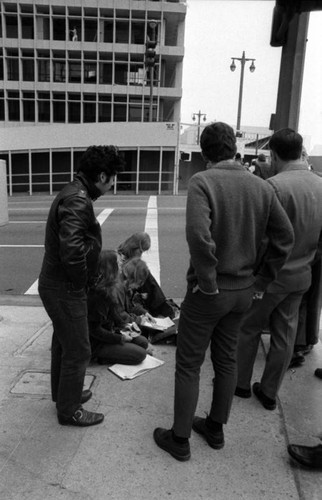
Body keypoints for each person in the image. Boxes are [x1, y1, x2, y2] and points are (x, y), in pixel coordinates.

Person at [153, 121, 294, 461]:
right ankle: (215, 428)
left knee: (188, 364)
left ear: (204, 153)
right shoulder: (261, 187)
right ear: (234, 148)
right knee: (226, 359)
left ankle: (180, 438)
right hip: (244, 289)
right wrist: (262, 280)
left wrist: (207, 281)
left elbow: (200, 238)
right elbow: (284, 238)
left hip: (210, 292)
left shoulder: (203, 181)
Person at [38, 145, 125, 427]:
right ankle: (69, 410)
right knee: (78, 349)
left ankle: (64, 395)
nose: (111, 185)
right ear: (101, 175)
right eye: (112, 178)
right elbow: (72, 248)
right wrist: (83, 281)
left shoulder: (75, 192)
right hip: (64, 287)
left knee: (64, 344)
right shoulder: (78, 200)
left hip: (57, 284)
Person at [236, 128, 322, 410]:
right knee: (285, 334)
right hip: (302, 274)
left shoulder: (273, 186)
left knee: (247, 328)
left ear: (273, 154)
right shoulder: (320, 184)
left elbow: (260, 240)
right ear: (300, 151)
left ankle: (241, 384)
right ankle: (270, 392)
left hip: (271, 277)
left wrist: (254, 276)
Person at [87, 250, 149, 365]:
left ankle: (119, 352)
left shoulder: (110, 288)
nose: (121, 266)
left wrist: (127, 326)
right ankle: (100, 357)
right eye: (118, 263)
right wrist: (120, 339)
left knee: (142, 342)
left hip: (110, 331)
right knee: (141, 355)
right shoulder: (98, 295)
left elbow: (115, 314)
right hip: (97, 342)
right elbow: (95, 330)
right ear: (110, 268)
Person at [117, 232, 179, 319]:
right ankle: (160, 306)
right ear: (134, 247)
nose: (141, 254)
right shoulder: (119, 258)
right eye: (141, 251)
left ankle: (160, 305)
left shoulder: (126, 254)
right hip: (127, 286)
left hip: (130, 287)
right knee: (147, 278)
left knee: (146, 276)